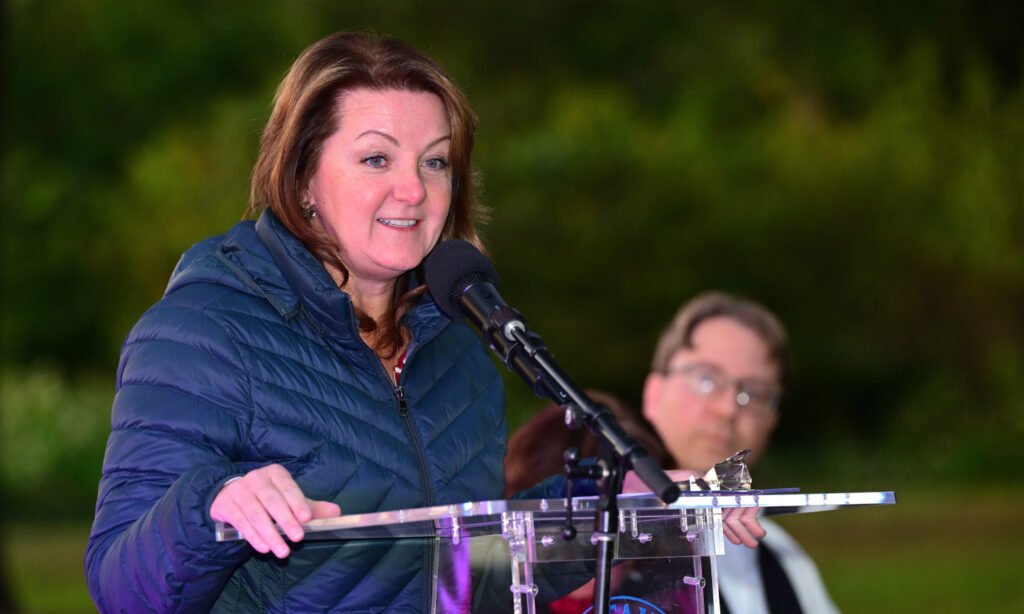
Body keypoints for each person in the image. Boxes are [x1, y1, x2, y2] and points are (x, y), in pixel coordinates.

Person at [84, 31, 526, 612]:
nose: (414, 190)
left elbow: (468, 582)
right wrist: (210, 506)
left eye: (435, 161)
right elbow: (121, 590)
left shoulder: (459, 355)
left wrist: (607, 514)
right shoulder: (205, 334)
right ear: (302, 179)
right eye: (376, 159)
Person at [641, 291, 839, 614]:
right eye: (706, 380)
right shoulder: (604, 552)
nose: (728, 409)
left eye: (754, 394)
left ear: (773, 421)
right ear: (653, 394)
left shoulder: (784, 558)